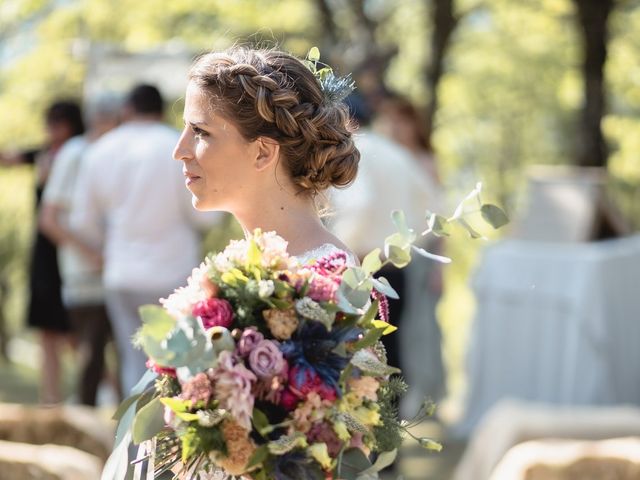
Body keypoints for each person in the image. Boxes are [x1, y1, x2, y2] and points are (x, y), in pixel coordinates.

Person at [71, 84, 219, 395]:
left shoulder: (100, 150)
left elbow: (82, 220)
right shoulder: (177, 148)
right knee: (180, 363)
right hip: (175, 271)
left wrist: (110, 243)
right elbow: (205, 217)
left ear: (127, 110)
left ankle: (135, 441)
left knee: (133, 363)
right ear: (162, 110)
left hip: (122, 273)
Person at [173, 48, 359, 261]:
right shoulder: (248, 264)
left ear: (262, 152)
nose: (179, 152)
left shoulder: (323, 280)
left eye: (200, 132)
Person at [39, 94, 121, 405]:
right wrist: (90, 255)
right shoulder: (75, 153)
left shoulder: (111, 154)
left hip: (114, 270)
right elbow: (49, 219)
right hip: (85, 273)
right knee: (89, 357)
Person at [1, 100, 85, 404]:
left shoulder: (79, 154)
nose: (53, 129)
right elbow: (9, 157)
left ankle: (98, 389)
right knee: (46, 331)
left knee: (75, 331)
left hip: (72, 249)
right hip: (45, 253)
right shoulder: (44, 155)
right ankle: (50, 400)